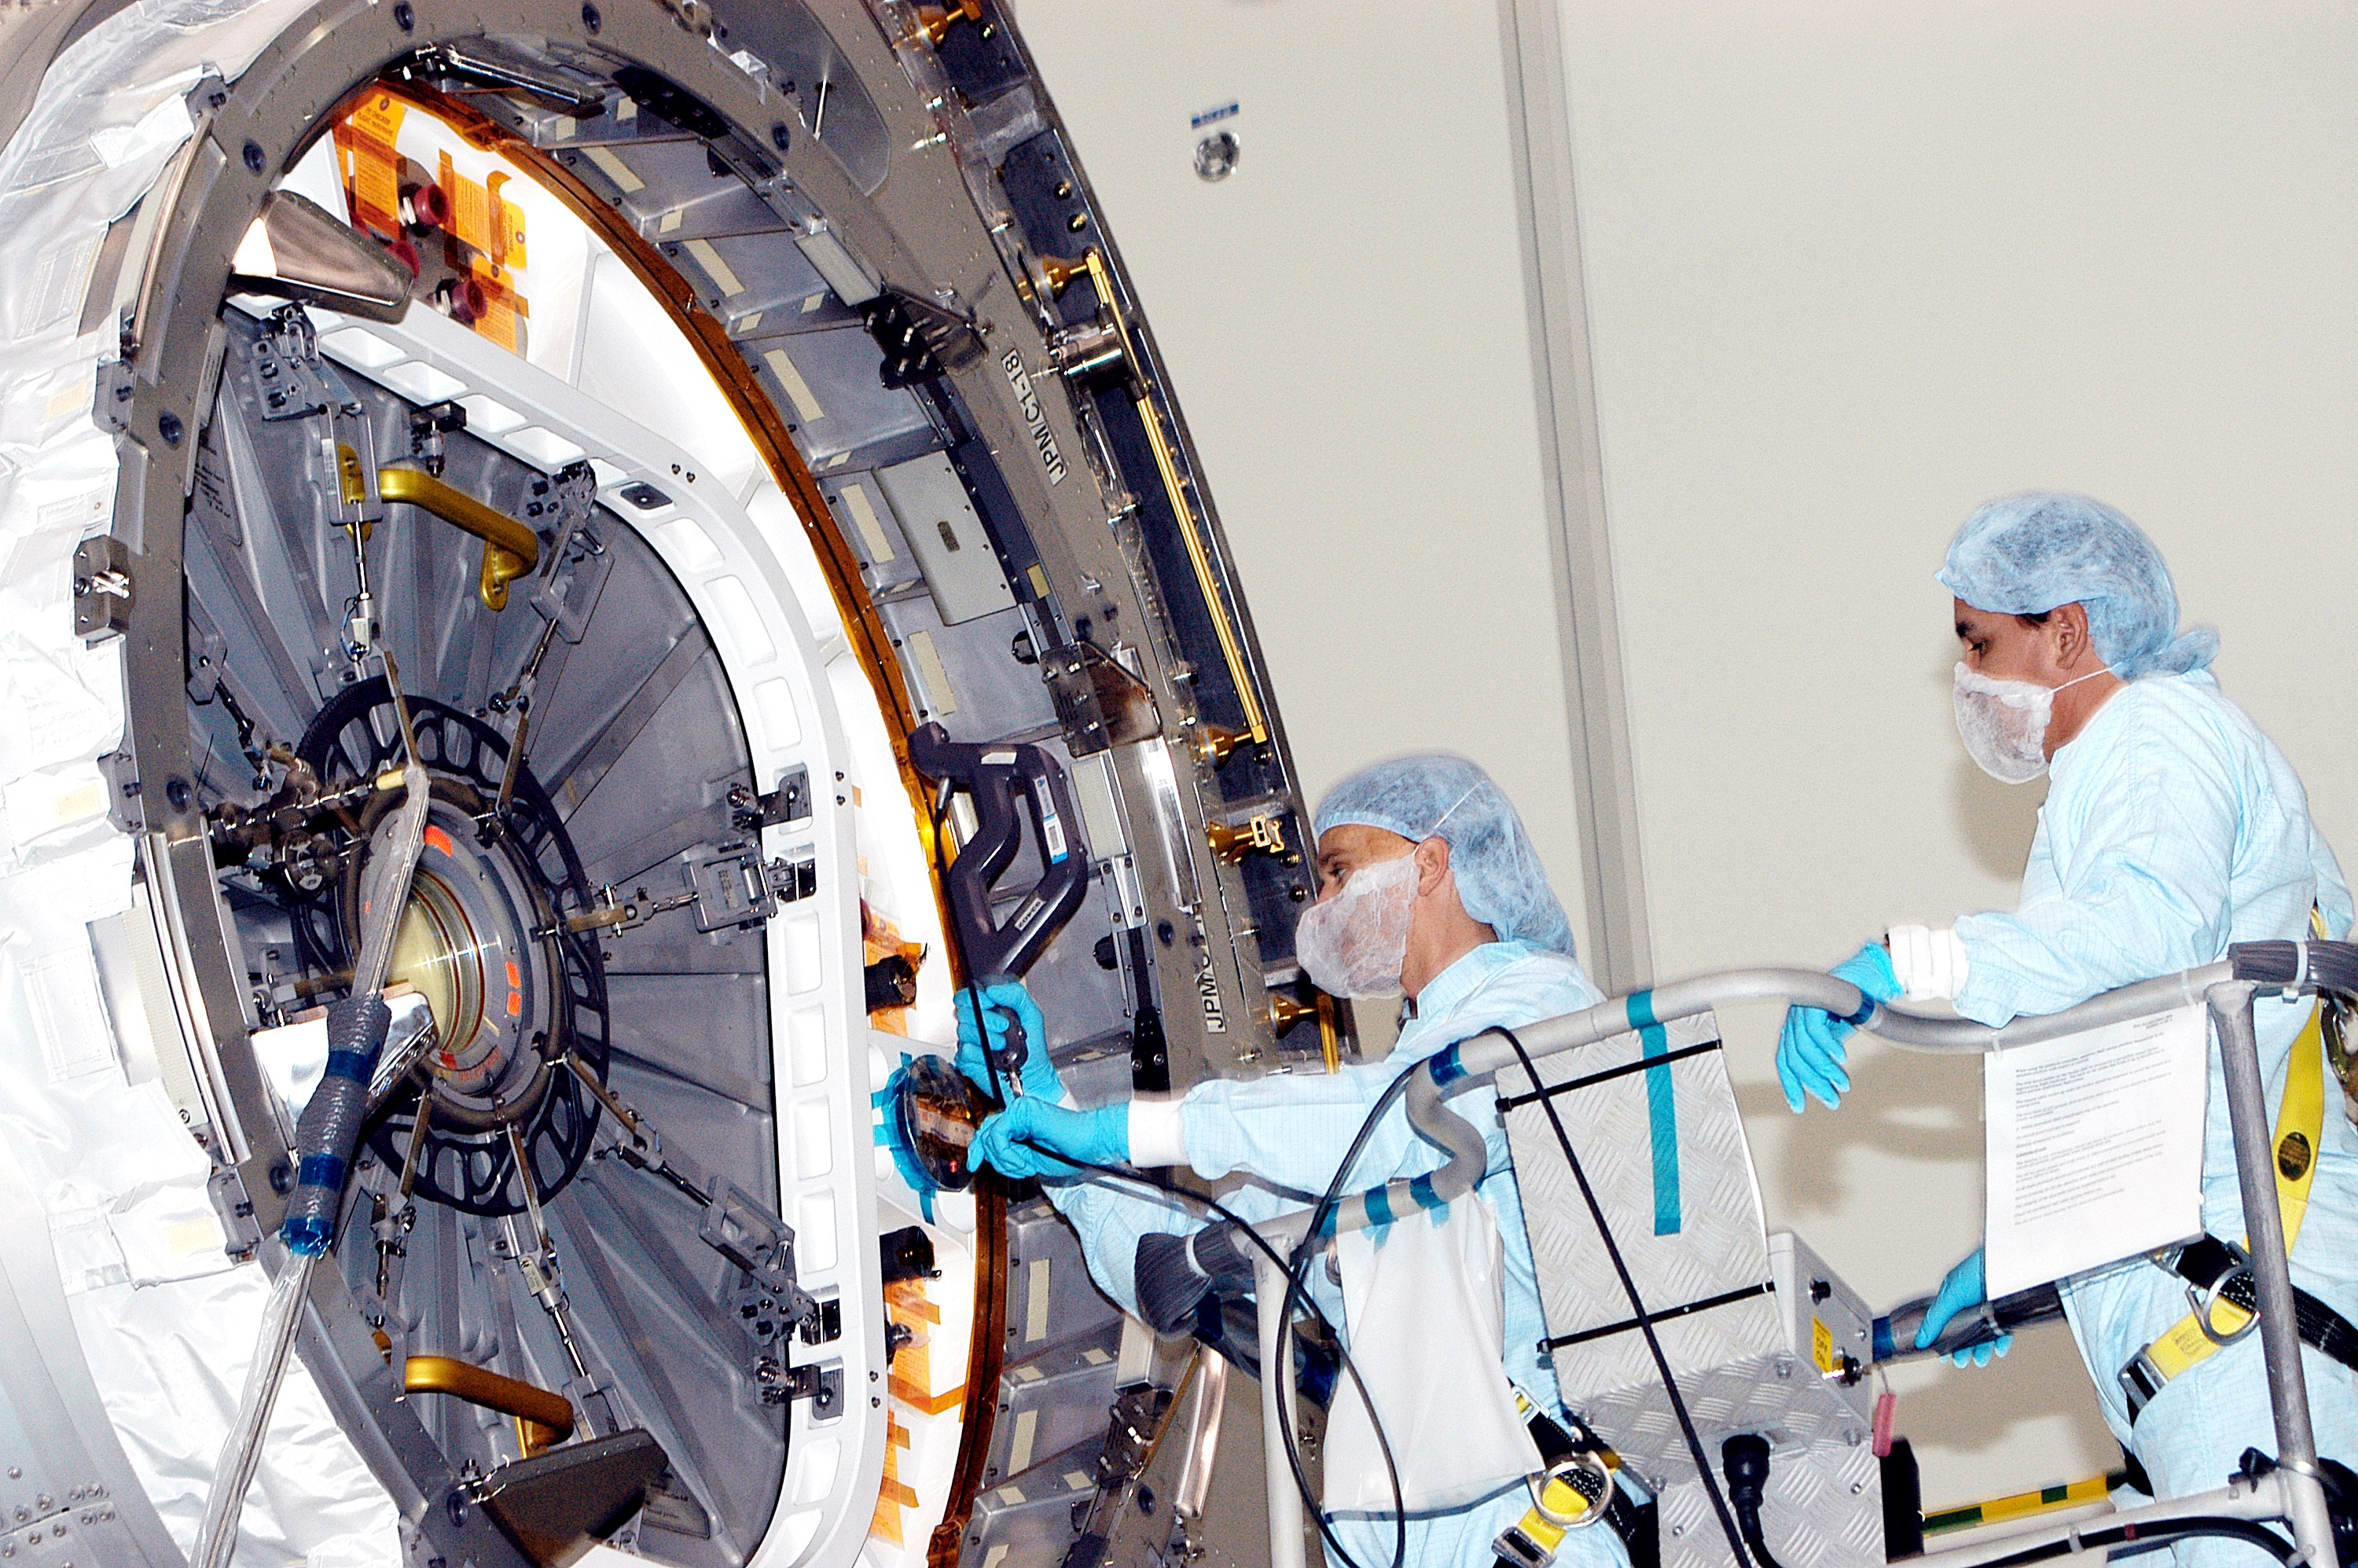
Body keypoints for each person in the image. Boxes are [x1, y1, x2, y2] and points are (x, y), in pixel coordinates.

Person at [1775, 491, 2358, 1560]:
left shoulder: (2155, 729)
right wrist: (2017, 1260)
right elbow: (2151, 1071)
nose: (1968, 678)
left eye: (1978, 641)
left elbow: (2145, 924)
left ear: (2069, 632)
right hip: (2214, 1357)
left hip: (2252, 1353)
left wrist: (1908, 964)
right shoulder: (2123, 772)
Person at [953, 754, 1629, 1568]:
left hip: (1541, 1515)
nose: (1320, 907)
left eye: (1341, 871)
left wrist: (1132, 1131)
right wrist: (1056, 1138)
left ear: (1432, 863)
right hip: (1413, 1526)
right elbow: (1185, 1257)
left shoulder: (1543, 1002)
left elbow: (1401, 1122)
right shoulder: (1373, 1119)